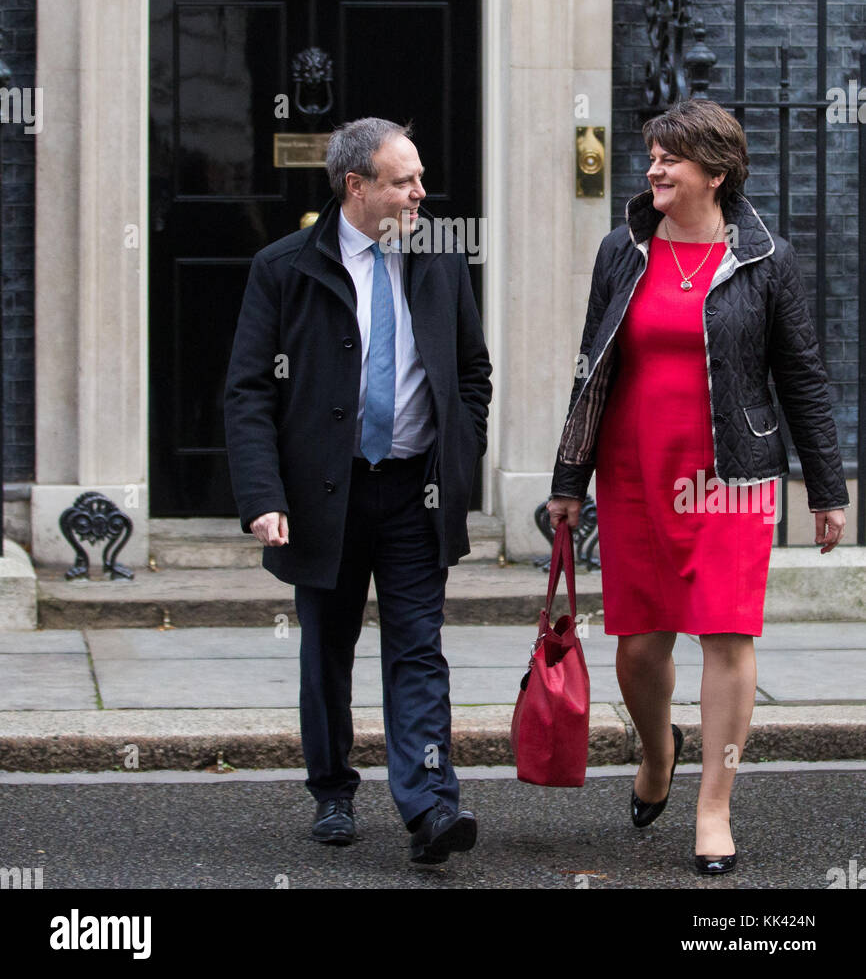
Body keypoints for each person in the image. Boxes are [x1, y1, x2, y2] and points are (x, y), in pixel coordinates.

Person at [547, 99, 848, 876]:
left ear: (715, 173)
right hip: (635, 472)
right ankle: (657, 752)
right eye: (650, 156)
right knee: (640, 645)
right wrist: (567, 479)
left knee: (726, 632)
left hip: (733, 475)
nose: (653, 170)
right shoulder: (624, 251)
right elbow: (592, 368)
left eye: (669, 159)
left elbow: (804, 377)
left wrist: (826, 490)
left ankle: (714, 804)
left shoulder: (764, 258)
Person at [224, 117, 491, 865]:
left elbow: (473, 371)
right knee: (326, 651)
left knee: (418, 648)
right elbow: (248, 390)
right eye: (404, 180)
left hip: (415, 492)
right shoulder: (285, 267)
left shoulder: (437, 258)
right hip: (323, 495)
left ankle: (432, 805)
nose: (420, 192)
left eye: (420, 176)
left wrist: (459, 456)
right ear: (357, 187)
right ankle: (334, 790)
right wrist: (263, 495)